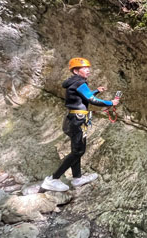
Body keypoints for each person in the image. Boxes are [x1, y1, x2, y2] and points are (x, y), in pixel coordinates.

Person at [42, 58, 120, 192]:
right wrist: (110, 103)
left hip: (73, 119)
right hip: (77, 121)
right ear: (76, 70)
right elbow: (91, 100)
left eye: (88, 68)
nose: (88, 70)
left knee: (77, 151)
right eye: (85, 68)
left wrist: (96, 90)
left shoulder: (74, 82)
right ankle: (53, 179)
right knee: (78, 151)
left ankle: (77, 178)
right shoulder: (79, 82)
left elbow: (84, 96)